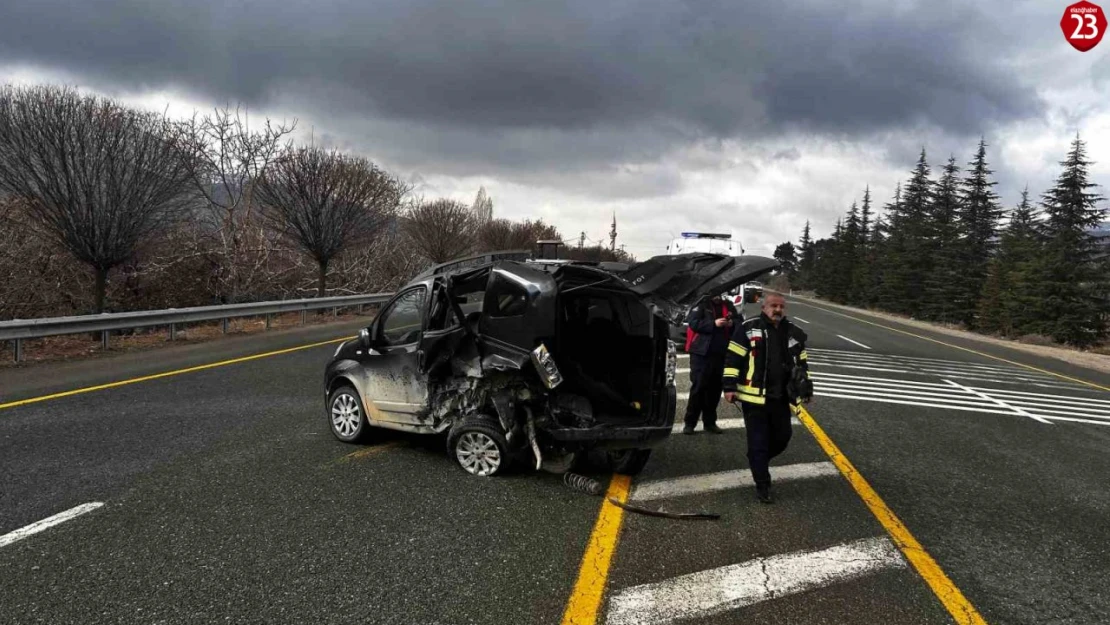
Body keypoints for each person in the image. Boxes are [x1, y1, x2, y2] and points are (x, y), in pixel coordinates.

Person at [723, 292, 813, 503]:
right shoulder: (748, 328)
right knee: (758, 442)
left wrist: (806, 390)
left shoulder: (793, 332)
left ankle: (757, 459)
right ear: (764, 307)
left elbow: (802, 364)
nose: (778, 310)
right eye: (773, 306)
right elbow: (733, 357)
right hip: (753, 398)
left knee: (783, 438)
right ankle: (763, 484)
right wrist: (729, 386)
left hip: (781, 398)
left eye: (781, 306)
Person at [683, 293, 739, 435]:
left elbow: (740, 321)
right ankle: (690, 423)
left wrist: (732, 324)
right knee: (698, 388)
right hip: (701, 354)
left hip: (722, 355)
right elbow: (693, 323)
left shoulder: (729, 305)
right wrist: (713, 324)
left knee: (715, 390)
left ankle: (710, 423)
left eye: (720, 293)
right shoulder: (701, 304)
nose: (718, 296)